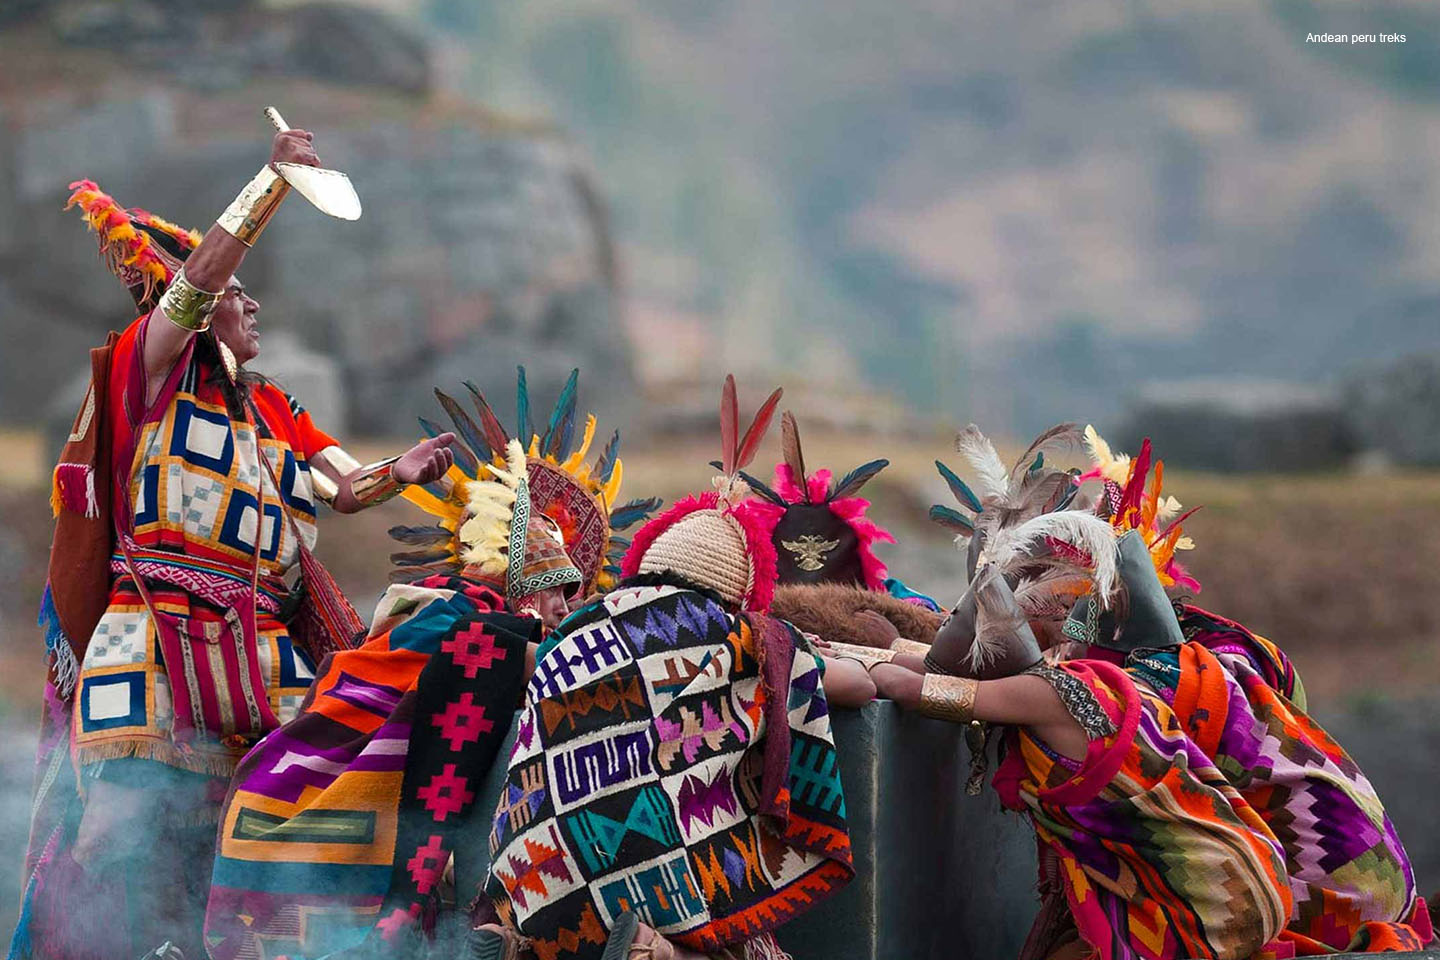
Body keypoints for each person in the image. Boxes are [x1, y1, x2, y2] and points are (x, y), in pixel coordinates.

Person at [17, 130, 455, 960]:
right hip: (151, 632)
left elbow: (345, 486)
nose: (253, 308)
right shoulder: (149, 370)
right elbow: (196, 283)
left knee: (278, 826)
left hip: (263, 645)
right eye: (239, 295)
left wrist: (403, 471)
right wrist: (273, 182)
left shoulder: (276, 407)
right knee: (113, 830)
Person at [869, 425, 1431, 959]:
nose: (1018, 607)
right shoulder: (1203, 657)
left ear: (1071, 608)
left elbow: (960, 687)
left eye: (1033, 590)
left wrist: (884, 659)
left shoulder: (1111, 687)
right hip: (1363, 873)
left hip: (1334, 897)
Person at [205, 372, 663, 960]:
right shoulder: (458, 625)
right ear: (520, 583)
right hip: (342, 798)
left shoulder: (475, 628)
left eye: (573, 592)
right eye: (555, 587)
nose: (564, 605)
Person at [479, 377, 871, 960]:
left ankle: (513, 942)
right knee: (744, 938)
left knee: (558, 908)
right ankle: (652, 949)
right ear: (739, 585)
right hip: (648, 866)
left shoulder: (579, 628)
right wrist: (810, 653)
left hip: (537, 867)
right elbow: (860, 687)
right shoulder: (742, 634)